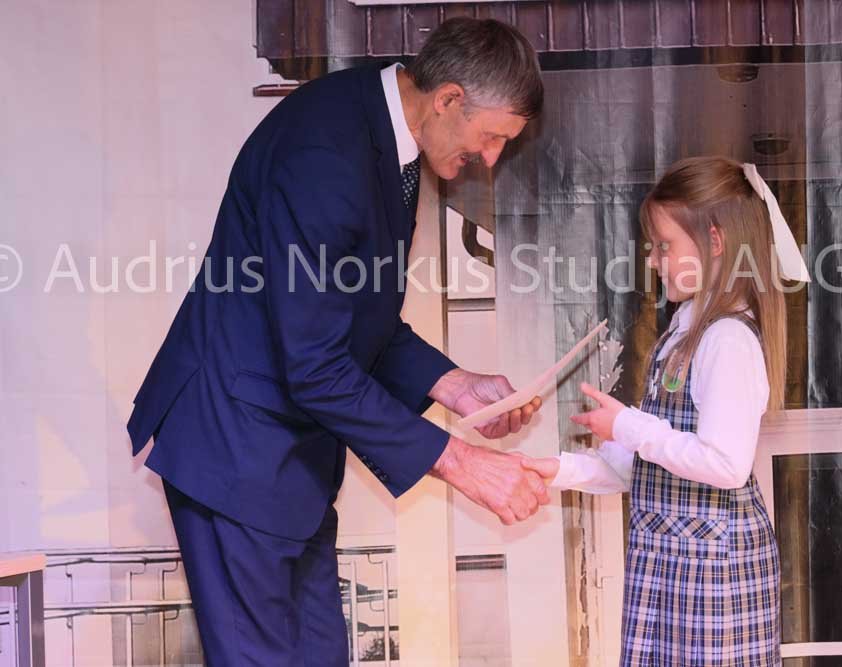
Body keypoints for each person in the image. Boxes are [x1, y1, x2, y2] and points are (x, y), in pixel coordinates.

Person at [126, 18, 548, 666]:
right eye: (491, 137)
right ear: (449, 99)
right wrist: (462, 462)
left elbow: (349, 316)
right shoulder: (325, 153)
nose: (490, 158)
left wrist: (454, 385)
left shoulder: (384, 132)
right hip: (238, 451)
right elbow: (316, 363)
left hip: (288, 462)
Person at [523, 156, 811, 666]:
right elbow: (652, 467)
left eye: (664, 246)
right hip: (674, 569)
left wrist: (629, 426)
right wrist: (560, 470)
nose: (654, 261)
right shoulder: (683, 332)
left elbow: (726, 464)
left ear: (715, 242)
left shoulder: (727, 339)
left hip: (712, 577)